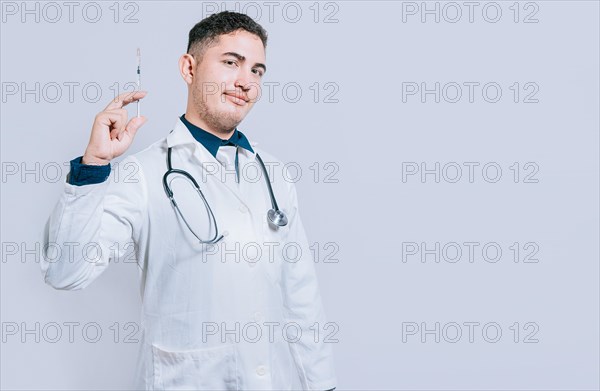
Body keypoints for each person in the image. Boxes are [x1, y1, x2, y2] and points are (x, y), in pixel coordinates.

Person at [41, 11, 337, 391]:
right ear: (189, 68)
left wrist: (322, 383)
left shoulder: (274, 174)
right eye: (231, 62)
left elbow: (302, 295)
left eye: (258, 71)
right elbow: (65, 273)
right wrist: (93, 165)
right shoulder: (143, 176)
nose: (245, 82)